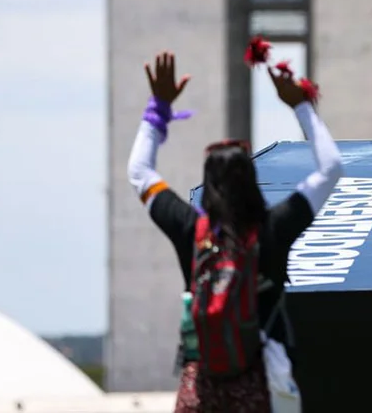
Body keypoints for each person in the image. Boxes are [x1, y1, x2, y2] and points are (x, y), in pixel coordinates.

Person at [127, 51, 343, 412]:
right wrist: (300, 104)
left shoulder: (189, 230)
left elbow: (139, 172)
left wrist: (158, 108)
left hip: (202, 390)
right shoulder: (272, 228)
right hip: (263, 390)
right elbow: (332, 168)